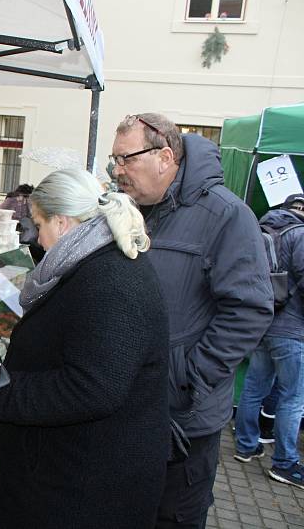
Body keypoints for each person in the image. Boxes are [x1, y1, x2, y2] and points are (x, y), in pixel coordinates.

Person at [0, 168, 169, 528]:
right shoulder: (95, 263)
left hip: (84, 493)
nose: (38, 239)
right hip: (72, 476)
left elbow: (91, 388)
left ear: (62, 222)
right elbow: (62, 349)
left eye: (39, 225)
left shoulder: (112, 281)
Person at [110, 113, 274, 528]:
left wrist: (187, 379)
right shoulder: (132, 210)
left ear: (165, 156)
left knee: (173, 518)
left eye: (126, 159)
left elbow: (250, 310)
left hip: (185, 422)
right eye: (114, 160)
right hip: (131, 409)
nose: (118, 171)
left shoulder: (227, 216)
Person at [233, 193, 304, 489]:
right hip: (293, 329)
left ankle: (246, 446)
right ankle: (285, 463)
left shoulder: (261, 230)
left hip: (262, 323)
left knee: (254, 386)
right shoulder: (300, 234)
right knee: (294, 398)